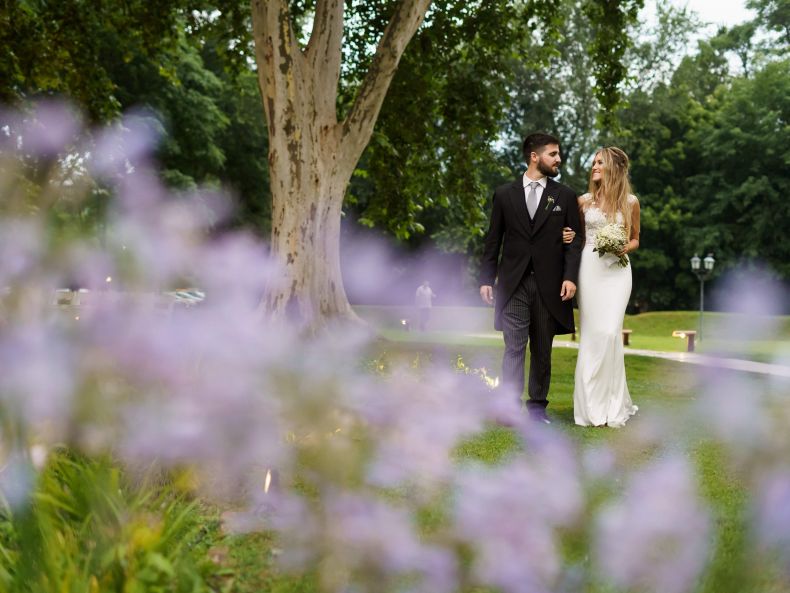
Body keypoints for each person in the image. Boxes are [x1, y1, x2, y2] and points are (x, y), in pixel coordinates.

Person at [479, 133, 582, 423]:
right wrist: (486, 278)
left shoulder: (564, 195)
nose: (558, 159)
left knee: (541, 349)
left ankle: (537, 409)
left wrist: (570, 277)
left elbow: (575, 241)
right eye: (553, 154)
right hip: (513, 284)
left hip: (550, 285)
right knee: (513, 346)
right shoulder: (503, 194)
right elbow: (493, 240)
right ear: (534, 157)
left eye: (558, 154)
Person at [563, 146, 640, 427]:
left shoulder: (630, 202)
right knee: (593, 336)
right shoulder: (582, 202)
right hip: (590, 269)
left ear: (615, 168)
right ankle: (589, 407)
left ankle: (613, 403)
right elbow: (574, 237)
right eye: (593, 163)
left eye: (600, 162)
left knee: (609, 333)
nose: (594, 167)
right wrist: (568, 234)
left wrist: (623, 248)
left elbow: (635, 239)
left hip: (618, 273)